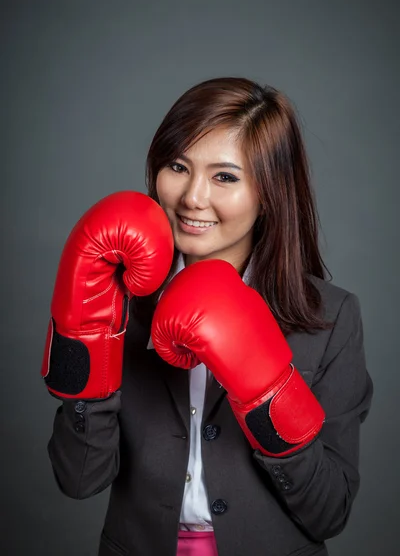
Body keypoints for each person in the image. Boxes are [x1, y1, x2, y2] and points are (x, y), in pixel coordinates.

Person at [42, 77, 373, 556]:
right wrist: (88, 342)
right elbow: (78, 479)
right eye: (178, 166)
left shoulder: (331, 317)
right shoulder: (115, 295)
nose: (192, 197)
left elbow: (330, 512)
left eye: (225, 176)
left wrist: (272, 400)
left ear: (270, 192)